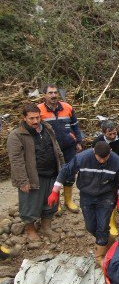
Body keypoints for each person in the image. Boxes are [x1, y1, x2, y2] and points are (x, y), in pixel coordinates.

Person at [48, 141, 119, 266]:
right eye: (99, 158)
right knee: (91, 227)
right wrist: (55, 191)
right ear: (94, 152)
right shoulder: (82, 158)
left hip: (106, 196)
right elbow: (65, 171)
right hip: (87, 196)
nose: (102, 161)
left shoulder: (116, 161)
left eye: (105, 158)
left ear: (110, 152)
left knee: (102, 226)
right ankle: (113, 244)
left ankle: (99, 257)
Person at [7, 103, 64, 242]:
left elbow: (56, 148)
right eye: (31, 118)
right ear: (24, 118)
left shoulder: (47, 128)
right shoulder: (17, 135)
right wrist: (22, 181)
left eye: (37, 117)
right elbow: (16, 161)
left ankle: (46, 226)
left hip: (52, 173)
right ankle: (30, 229)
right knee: (30, 204)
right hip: (33, 177)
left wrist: (63, 168)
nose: (35, 121)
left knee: (51, 202)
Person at [38, 84, 83, 213]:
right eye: (50, 93)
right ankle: (56, 202)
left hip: (69, 146)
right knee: (54, 174)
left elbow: (75, 125)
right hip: (50, 148)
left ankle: (68, 201)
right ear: (44, 95)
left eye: (55, 92)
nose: (53, 95)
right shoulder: (39, 110)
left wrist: (78, 141)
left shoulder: (67, 107)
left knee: (70, 173)